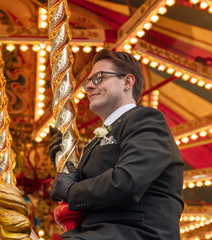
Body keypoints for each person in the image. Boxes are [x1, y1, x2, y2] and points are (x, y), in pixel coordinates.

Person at [48, 49, 184, 239]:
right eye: (89, 81)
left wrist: (72, 190)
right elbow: (95, 184)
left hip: (136, 232)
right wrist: (64, 165)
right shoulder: (96, 142)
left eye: (99, 78)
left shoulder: (146, 119)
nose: (89, 87)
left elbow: (128, 181)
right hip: (99, 233)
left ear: (127, 82)